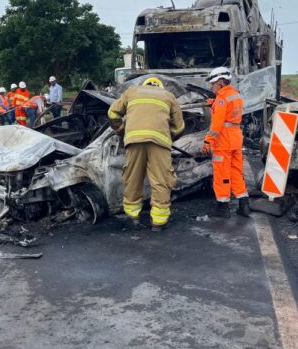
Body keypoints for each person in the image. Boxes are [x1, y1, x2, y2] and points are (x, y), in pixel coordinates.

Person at [107, 77, 184, 231]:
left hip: (134, 141)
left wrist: (121, 130)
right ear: (159, 86)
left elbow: (113, 114)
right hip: (159, 143)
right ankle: (158, 222)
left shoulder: (132, 91)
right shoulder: (168, 96)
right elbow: (179, 126)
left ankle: (132, 217)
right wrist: (168, 137)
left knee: (133, 178)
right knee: (160, 180)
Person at [202, 67, 250, 218]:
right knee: (236, 171)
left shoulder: (222, 99)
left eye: (213, 83)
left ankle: (223, 208)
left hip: (224, 140)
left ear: (221, 82)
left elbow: (217, 124)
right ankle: (244, 205)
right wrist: (214, 104)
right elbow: (229, 111)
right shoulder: (235, 95)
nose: (212, 86)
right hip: (236, 137)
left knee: (222, 173)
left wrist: (208, 141)